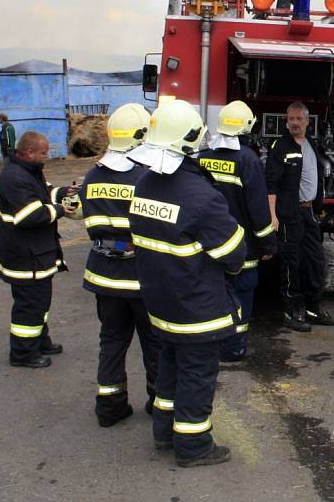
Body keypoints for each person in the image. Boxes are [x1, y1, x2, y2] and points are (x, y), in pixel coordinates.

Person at [128, 100, 244, 467]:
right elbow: (233, 254)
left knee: (169, 368)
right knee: (197, 374)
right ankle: (193, 447)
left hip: (160, 301)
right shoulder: (202, 197)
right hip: (197, 307)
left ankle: (164, 433)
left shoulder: (144, 183)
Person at [79, 104, 162, 427]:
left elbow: (91, 226)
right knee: (154, 342)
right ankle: (157, 402)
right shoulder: (147, 178)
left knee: (111, 340)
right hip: (142, 278)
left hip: (104, 275)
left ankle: (110, 406)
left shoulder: (93, 176)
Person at [198, 100, 277, 361]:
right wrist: (268, 245)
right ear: (247, 128)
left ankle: (213, 342)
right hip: (243, 247)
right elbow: (258, 210)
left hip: (209, 244)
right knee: (242, 294)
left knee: (213, 293)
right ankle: (234, 347)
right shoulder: (248, 160)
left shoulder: (204, 156)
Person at [0, 131, 77, 368]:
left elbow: (43, 191)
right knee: (29, 307)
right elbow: (30, 215)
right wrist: (61, 210)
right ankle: (22, 353)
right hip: (24, 257)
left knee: (40, 304)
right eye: (43, 152)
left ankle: (39, 341)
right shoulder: (14, 177)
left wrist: (62, 192)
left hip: (36, 254)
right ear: (29, 152)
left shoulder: (28, 170)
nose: (47, 156)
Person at [266, 101, 334, 332]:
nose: (295, 123)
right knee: (290, 263)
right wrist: (273, 215)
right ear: (286, 121)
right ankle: (292, 311)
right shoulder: (281, 146)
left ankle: (313, 308)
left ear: (307, 121)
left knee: (315, 261)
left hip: (309, 213)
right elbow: (271, 184)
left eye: (299, 119)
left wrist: (317, 208)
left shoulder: (311, 145)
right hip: (289, 214)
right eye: (291, 119)